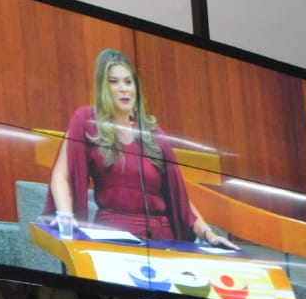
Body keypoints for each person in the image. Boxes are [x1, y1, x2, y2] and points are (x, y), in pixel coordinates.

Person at [45, 48, 235, 247]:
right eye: (114, 81)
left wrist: (209, 235)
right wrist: (65, 216)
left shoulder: (155, 136)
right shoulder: (87, 122)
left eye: (129, 82)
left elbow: (179, 200)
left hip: (162, 241)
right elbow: (62, 175)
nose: (124, 89)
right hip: (112, 238)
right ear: (102, 88)